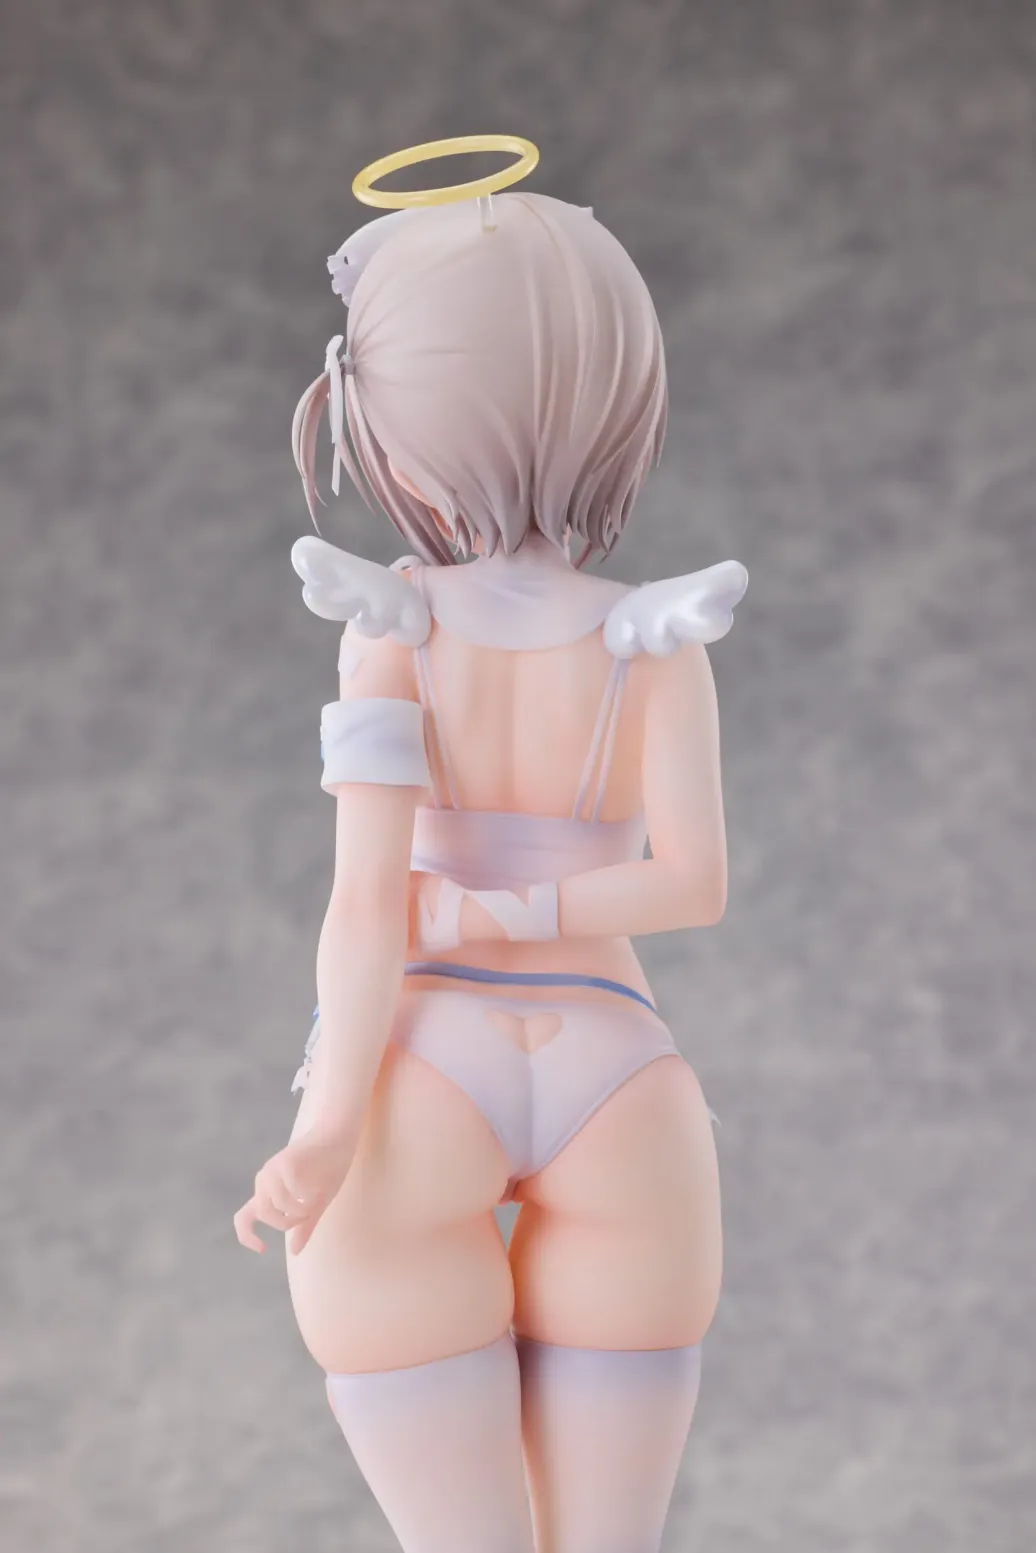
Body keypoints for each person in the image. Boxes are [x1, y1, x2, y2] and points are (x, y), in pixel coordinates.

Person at [234, 163, 746, 1553]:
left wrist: (326, 1130)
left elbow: (365, 906)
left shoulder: (391, 631)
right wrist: (530, 910)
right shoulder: (654, 636)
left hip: (415, 1072)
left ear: (383, 417)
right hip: (622, 1073)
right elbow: (692, 885)